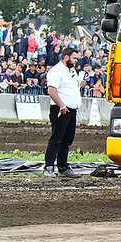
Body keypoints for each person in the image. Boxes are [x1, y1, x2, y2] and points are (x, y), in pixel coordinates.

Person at [43, 48, 85, 178]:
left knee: (66, 140)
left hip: (71, 110)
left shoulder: (71, 71)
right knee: (56, 139)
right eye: (74, 58)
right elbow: (52, 91)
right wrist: (62, 106)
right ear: (66, 57)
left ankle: (63, 167)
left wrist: (80, 87)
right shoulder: (56, 71)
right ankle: (49, 166)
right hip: (61, 109)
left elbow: (67, 90)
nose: (76, 61)